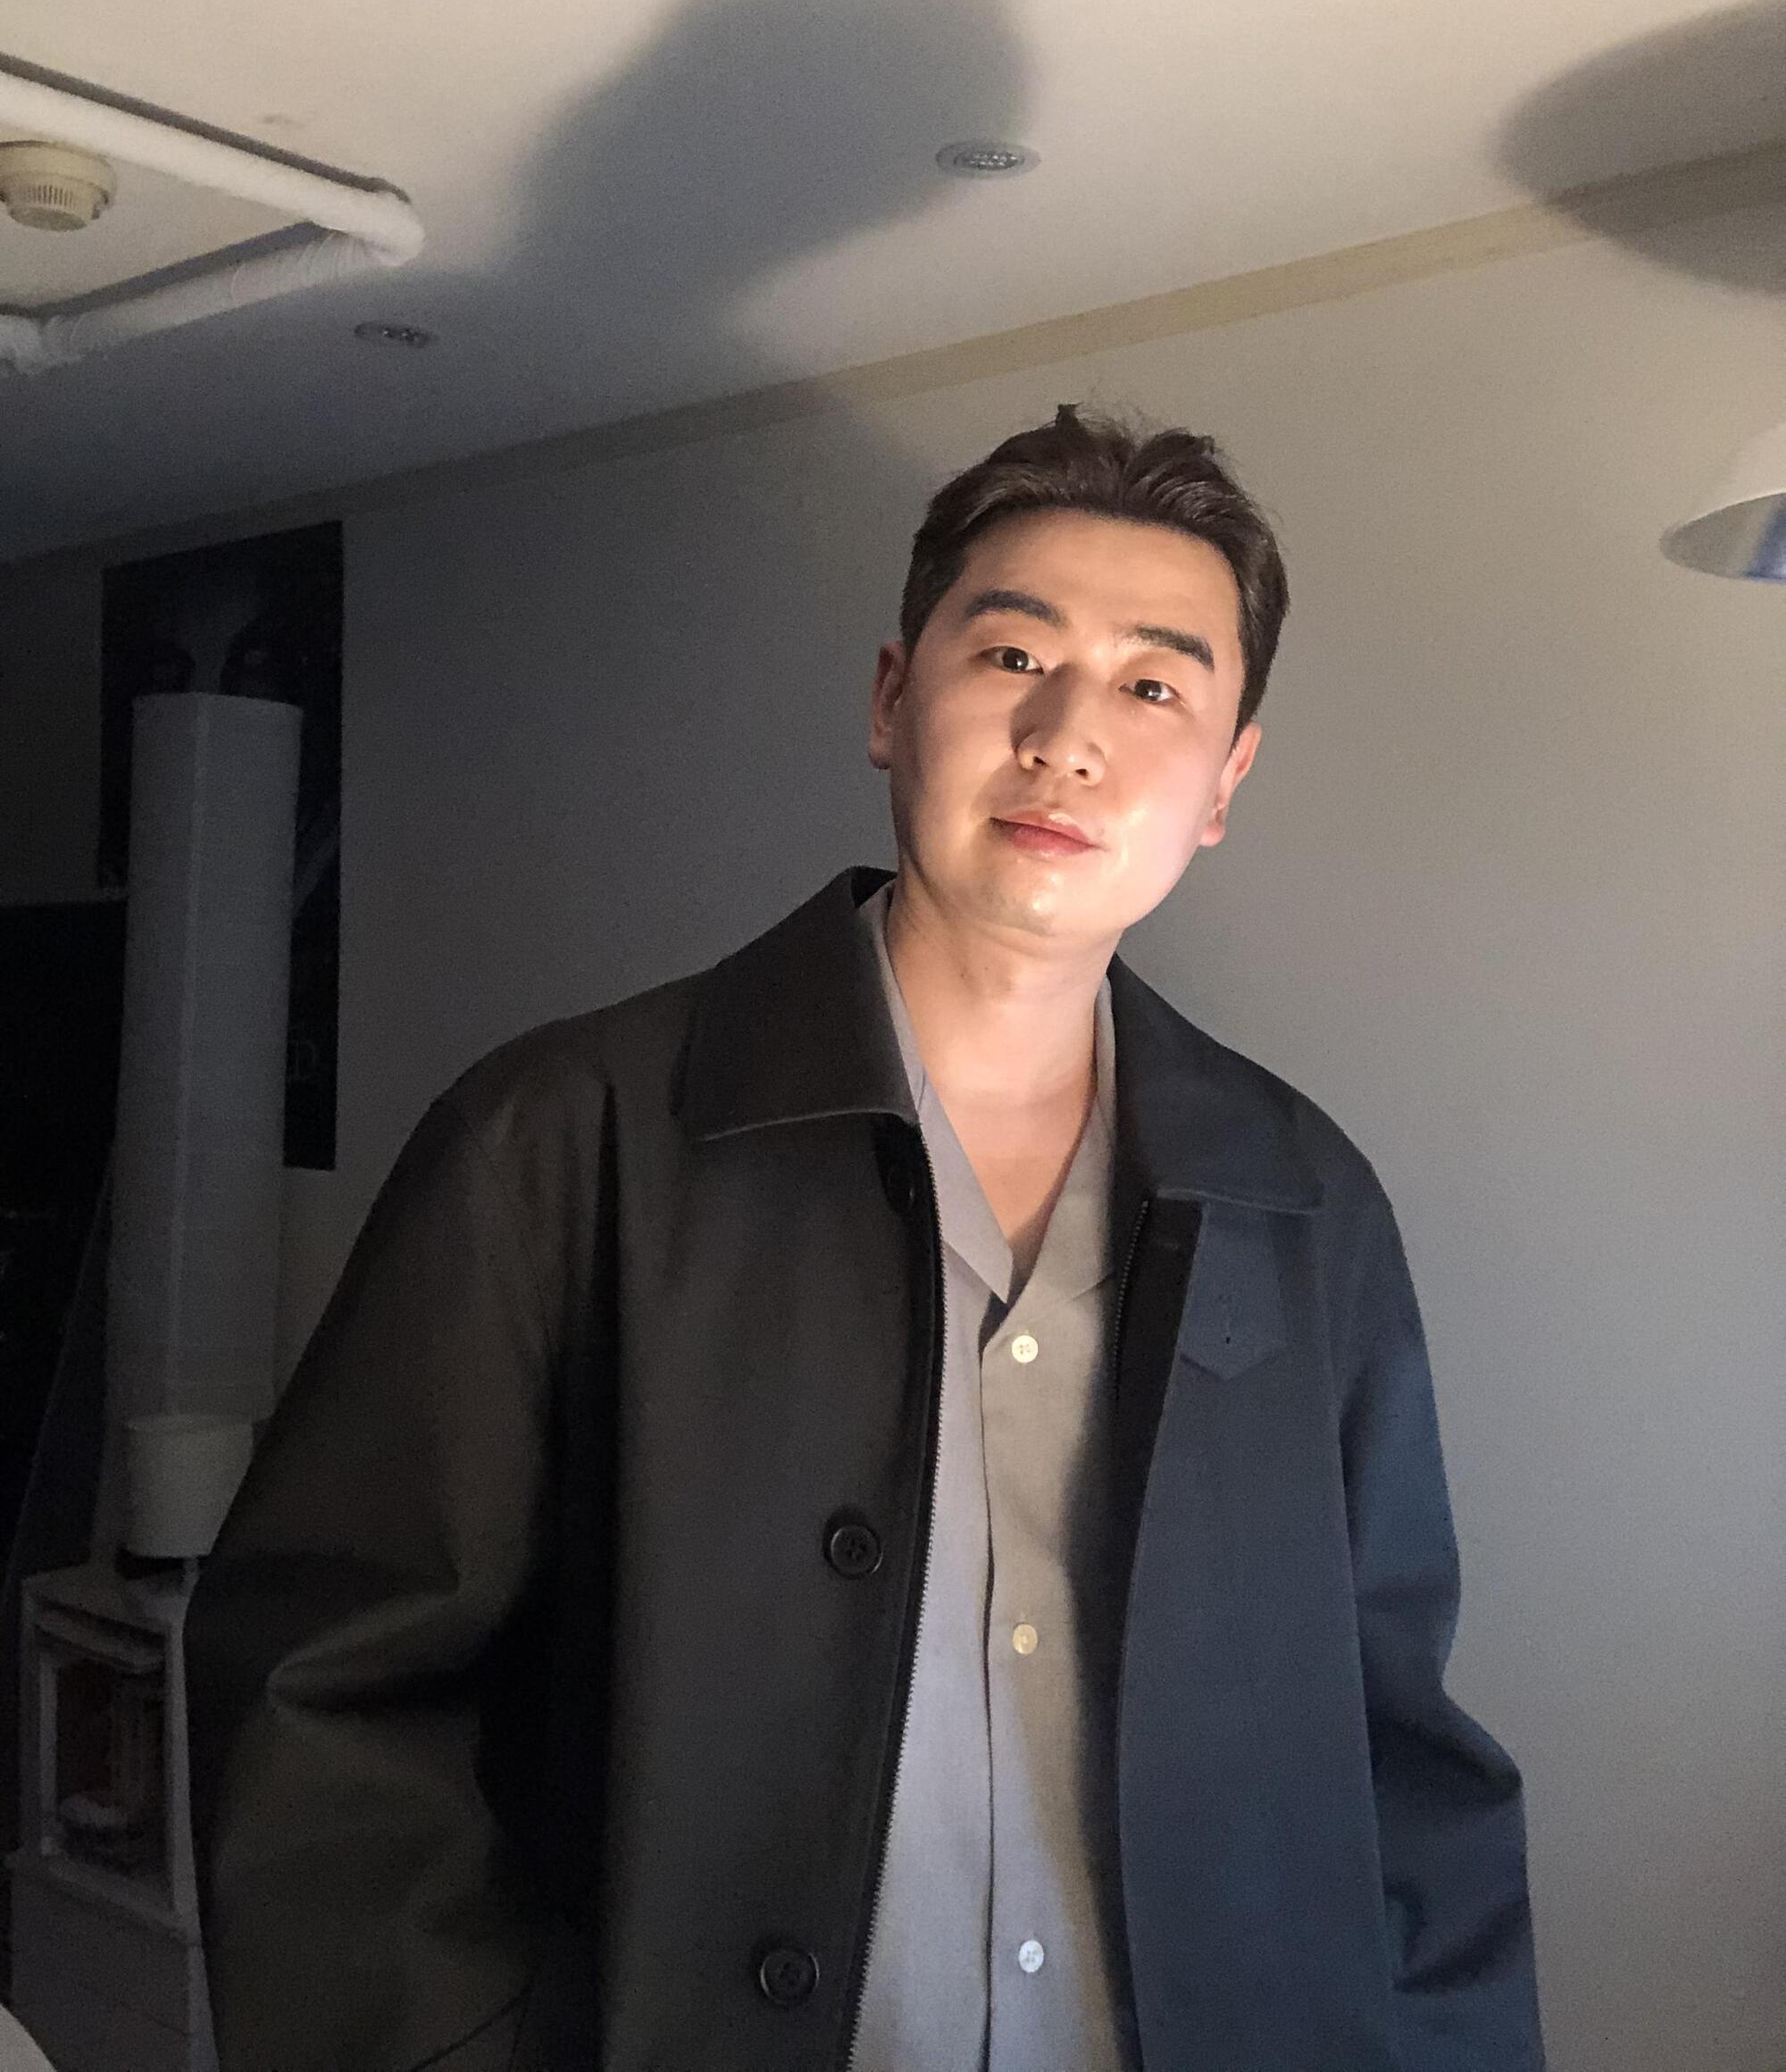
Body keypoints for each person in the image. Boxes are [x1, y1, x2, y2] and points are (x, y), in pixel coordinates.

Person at [183, 404, 1546, 2071]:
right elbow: (324, 1702)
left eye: (1154, 688)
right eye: (1013, 655)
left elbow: (1397, 1755)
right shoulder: (560, 1143)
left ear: (1224, 782)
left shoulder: (1305, 1204)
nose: (1067, 736)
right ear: (893, 700)